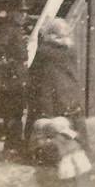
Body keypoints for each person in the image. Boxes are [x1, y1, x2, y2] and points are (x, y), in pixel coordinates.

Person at [27, 18, 88, 152]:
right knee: (75, 123)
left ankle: (45, 153)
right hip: (70, 92)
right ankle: (83, 149)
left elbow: (35, 72)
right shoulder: (71, 49)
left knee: (48, 125)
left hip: (50, 94)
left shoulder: (45, 51)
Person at [31, 115, 92, 187]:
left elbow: (35, 155)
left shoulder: (41, 141)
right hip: (52, 170)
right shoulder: (60, 140)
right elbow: (69, 150)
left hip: (44, 171)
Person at [0, 0, 29, 160]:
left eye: (25, 12)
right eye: (21, 12)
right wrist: (11, 68)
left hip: (17, 77)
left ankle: (14, 146)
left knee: (16, 113)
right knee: (12, 114)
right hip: (11, 78)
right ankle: (12, 148)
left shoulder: (16, 29)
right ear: (12, 12)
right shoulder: (8, 29)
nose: (24, 15)